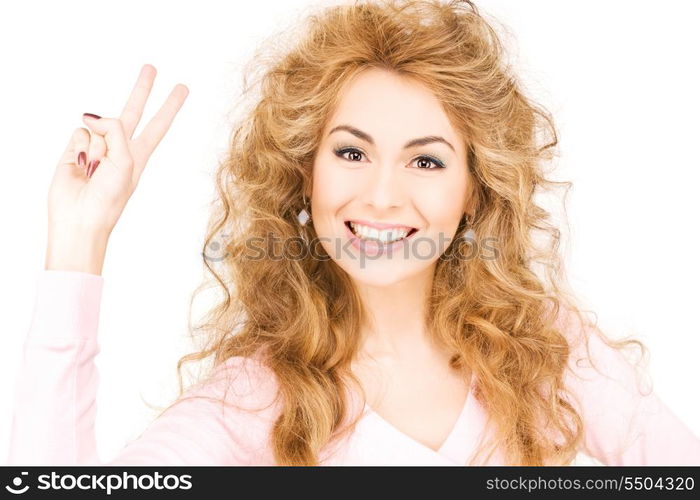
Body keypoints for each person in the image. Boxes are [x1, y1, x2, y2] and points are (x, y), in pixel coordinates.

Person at [7, 0, 700, 466]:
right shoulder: (260, 397)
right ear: (304, 175)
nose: (381, 195)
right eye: (351, 151)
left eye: (426, 160)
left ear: (474, 190)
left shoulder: (546, 349)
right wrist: (79, 238)